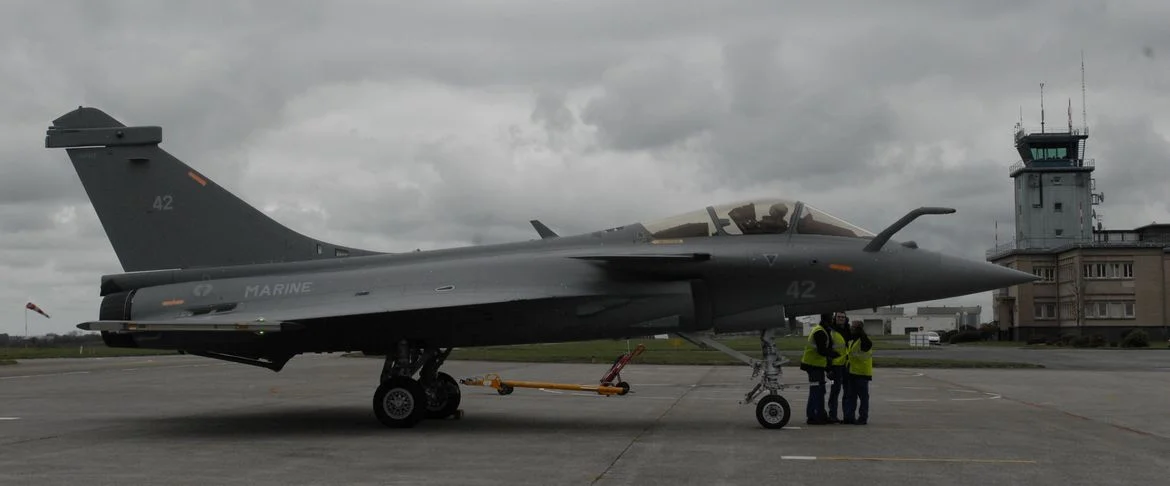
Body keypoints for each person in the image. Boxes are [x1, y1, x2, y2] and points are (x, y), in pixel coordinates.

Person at [800, 313, 840, 425]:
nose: (833, 320)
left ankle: (819, 414)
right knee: (816, 390)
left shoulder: (823, 330)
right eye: (831, 318)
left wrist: (827, 369)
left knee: (820, 390)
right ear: (826, 319)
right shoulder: (820, 332)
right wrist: (834, 354)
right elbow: (822, 351)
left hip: (817, 365)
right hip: (813, 365)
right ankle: (813, 416)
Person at [843, 318, 873, 425]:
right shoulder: (854, 340)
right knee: (851, 397)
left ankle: (863, 418)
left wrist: (861, 333)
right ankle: (849, 417)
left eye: (853, 327)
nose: (851, 328)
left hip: (862, 374)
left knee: (863, 398)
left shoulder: (864, 340)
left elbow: (867, 345)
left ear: (858, 329)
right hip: (853, 373)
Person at [825, 312, 851, 423]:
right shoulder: (831, 331)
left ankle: (847, 416)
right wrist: (828, 368)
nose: (841, 319)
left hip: (847, 365)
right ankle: (833, 415)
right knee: (835, 391)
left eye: (843, 317)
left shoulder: (848, 331)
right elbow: (827, 350)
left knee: (848, 391)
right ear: (835, 318)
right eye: (839, 317)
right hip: (836, 366)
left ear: (846, 319)